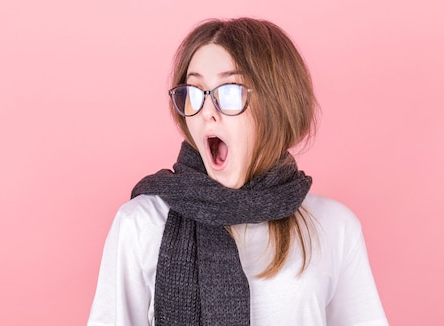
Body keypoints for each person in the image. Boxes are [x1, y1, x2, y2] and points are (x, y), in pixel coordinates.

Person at [88, 17, 388, 326]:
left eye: (229, 92)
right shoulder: (141, 224)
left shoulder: (333, 227)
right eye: (194, 91)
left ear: (278, 102)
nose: (207, 112)